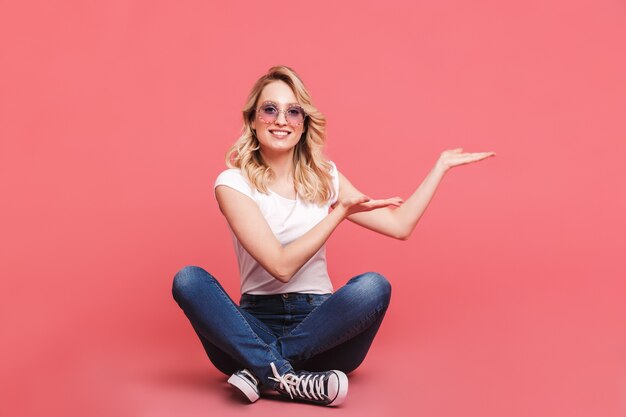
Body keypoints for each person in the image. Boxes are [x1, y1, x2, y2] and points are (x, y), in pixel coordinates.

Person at [172, 65, 496, 407]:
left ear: (303, 122)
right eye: (270, 109)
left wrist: (440, 167)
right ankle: (289, 375)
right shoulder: (233, 183)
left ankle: (263, 371)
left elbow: (400, 226)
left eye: (292, 111)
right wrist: (338, 213)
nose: (281, 119)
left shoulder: (325, 177)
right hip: (252, 326)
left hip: (323, 329)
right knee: (189, 280)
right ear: (253, 119)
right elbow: (281, 267)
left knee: (374, 286)